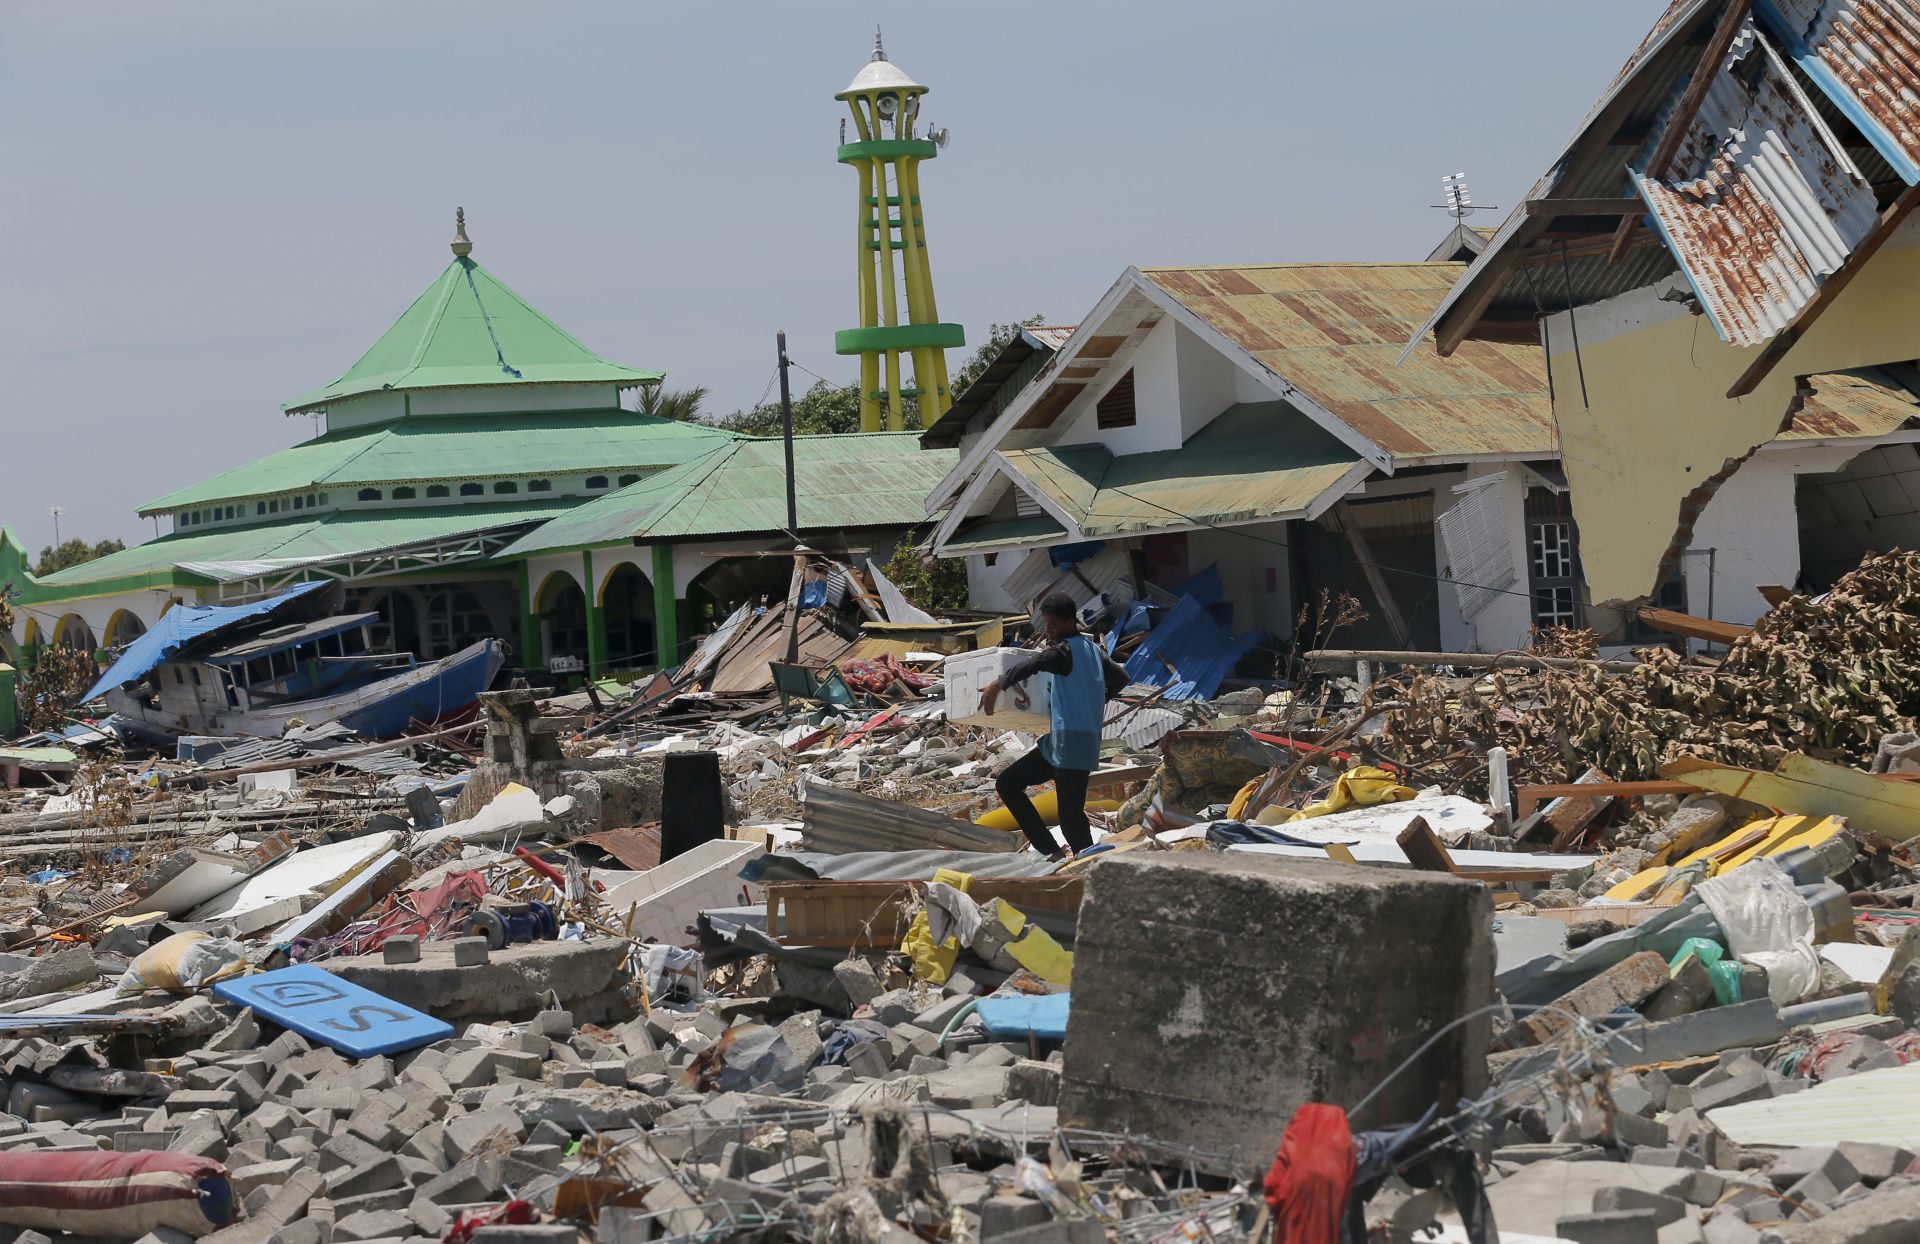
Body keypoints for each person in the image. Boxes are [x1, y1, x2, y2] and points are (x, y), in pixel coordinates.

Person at [981, 593, 1128, 859]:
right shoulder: (1093, 651)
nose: (1049, 631)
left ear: (1071, 622)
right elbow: (1121, 678)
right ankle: (1051, 851)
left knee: (1070, 816)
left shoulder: (1064, 651)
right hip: (1065, 742)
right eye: (1047, 625)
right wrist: (1095, 700)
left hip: (1070, 744)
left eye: (1054, 626)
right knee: (1007, 783)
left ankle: (1086, 862)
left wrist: (997, 684)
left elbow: (1034, 664)